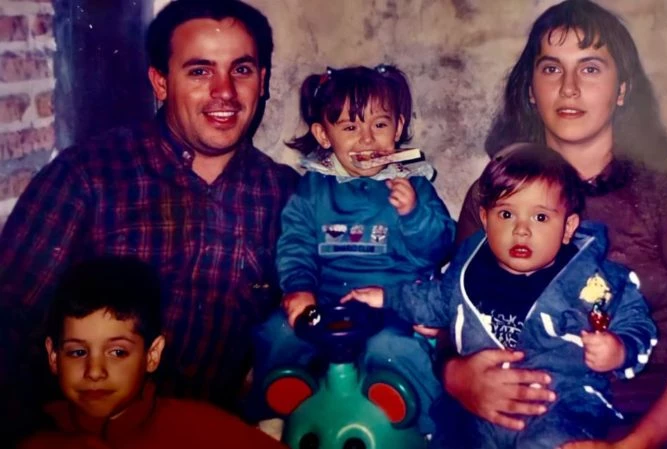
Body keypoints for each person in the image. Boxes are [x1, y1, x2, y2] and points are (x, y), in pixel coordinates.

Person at [0, 0, 298, 443]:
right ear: (160, 82)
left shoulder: (286, 197)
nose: (225, 91)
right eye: (200, 71)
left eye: (241, 70)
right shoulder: (87, 177)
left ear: (263, 80)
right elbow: (9, 325)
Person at [445, 1, 667, 448]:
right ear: (530, 89)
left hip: (649, 421)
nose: (569, 88)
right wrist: (457, 376)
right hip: (513, 426)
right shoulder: (492, 192)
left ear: (622, 90)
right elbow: (449, 307)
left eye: (590, 69)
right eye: (552, 69)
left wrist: (631, 445)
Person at [343, 143, 657, 448]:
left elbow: (635, 320)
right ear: (485, 219)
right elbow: (433, 299)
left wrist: (620, 349)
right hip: (478, 406)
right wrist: (387, 297)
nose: (521, 230)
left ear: (567, 227)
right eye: (506, 214)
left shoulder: (592, 277)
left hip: (559, 404)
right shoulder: (469, 270)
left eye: (540, 217)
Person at [250, 65, 455, 435]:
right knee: (277, 332)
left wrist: (413, 214)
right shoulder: (313, 189)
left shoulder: (414, 185)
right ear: (323, 135)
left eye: (380, 124)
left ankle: (423, 423)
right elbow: (295, 243)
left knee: (395, 348)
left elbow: (438, 249)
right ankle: (277, 409)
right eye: (350, 128)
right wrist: (299, 288)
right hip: (326, 302)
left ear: (398, 127)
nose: (366, 139)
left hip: (393, 304)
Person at [19, 256, 286, 449]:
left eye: (117, 352)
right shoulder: (35, 440)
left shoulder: (205, 430)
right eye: (77, 352)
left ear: (152, 355)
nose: (95, 372)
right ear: (53, 356)